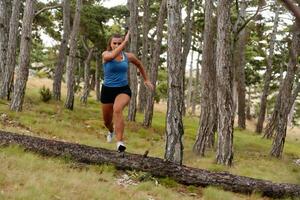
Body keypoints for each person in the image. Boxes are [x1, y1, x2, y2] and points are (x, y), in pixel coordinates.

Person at [101, 31, 154, 152]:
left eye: (119, 43)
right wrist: (124, 42)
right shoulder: (106, 54)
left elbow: (139, 64)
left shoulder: (128, 56)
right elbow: (110, 56)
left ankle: (120, 142)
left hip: (123, 89)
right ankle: (111, 131)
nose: (117, 45)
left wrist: (146, 79)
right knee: (107, 121)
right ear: (110, 44)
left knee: (117, 109)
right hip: (107, 90)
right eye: (114, 43)